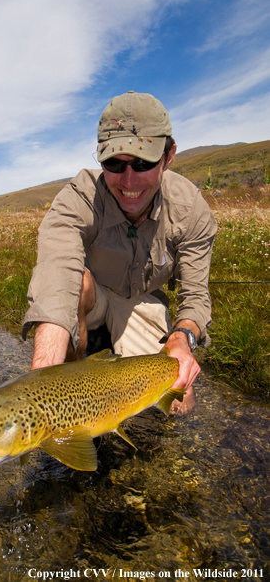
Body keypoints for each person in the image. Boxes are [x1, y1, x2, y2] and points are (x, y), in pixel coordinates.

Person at [22, 91, 217, 414]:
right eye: (114, 163)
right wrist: (37, 396)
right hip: (94, 299)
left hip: (144, 303)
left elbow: (195, 298)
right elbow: (57, 287)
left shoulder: (191, 209)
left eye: (143, 163)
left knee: (180, 405)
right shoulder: (78, 198)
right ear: (100, 160)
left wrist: (183, 337)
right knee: (78, 284)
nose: (128, 181)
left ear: (169, 157)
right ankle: (71, 392)